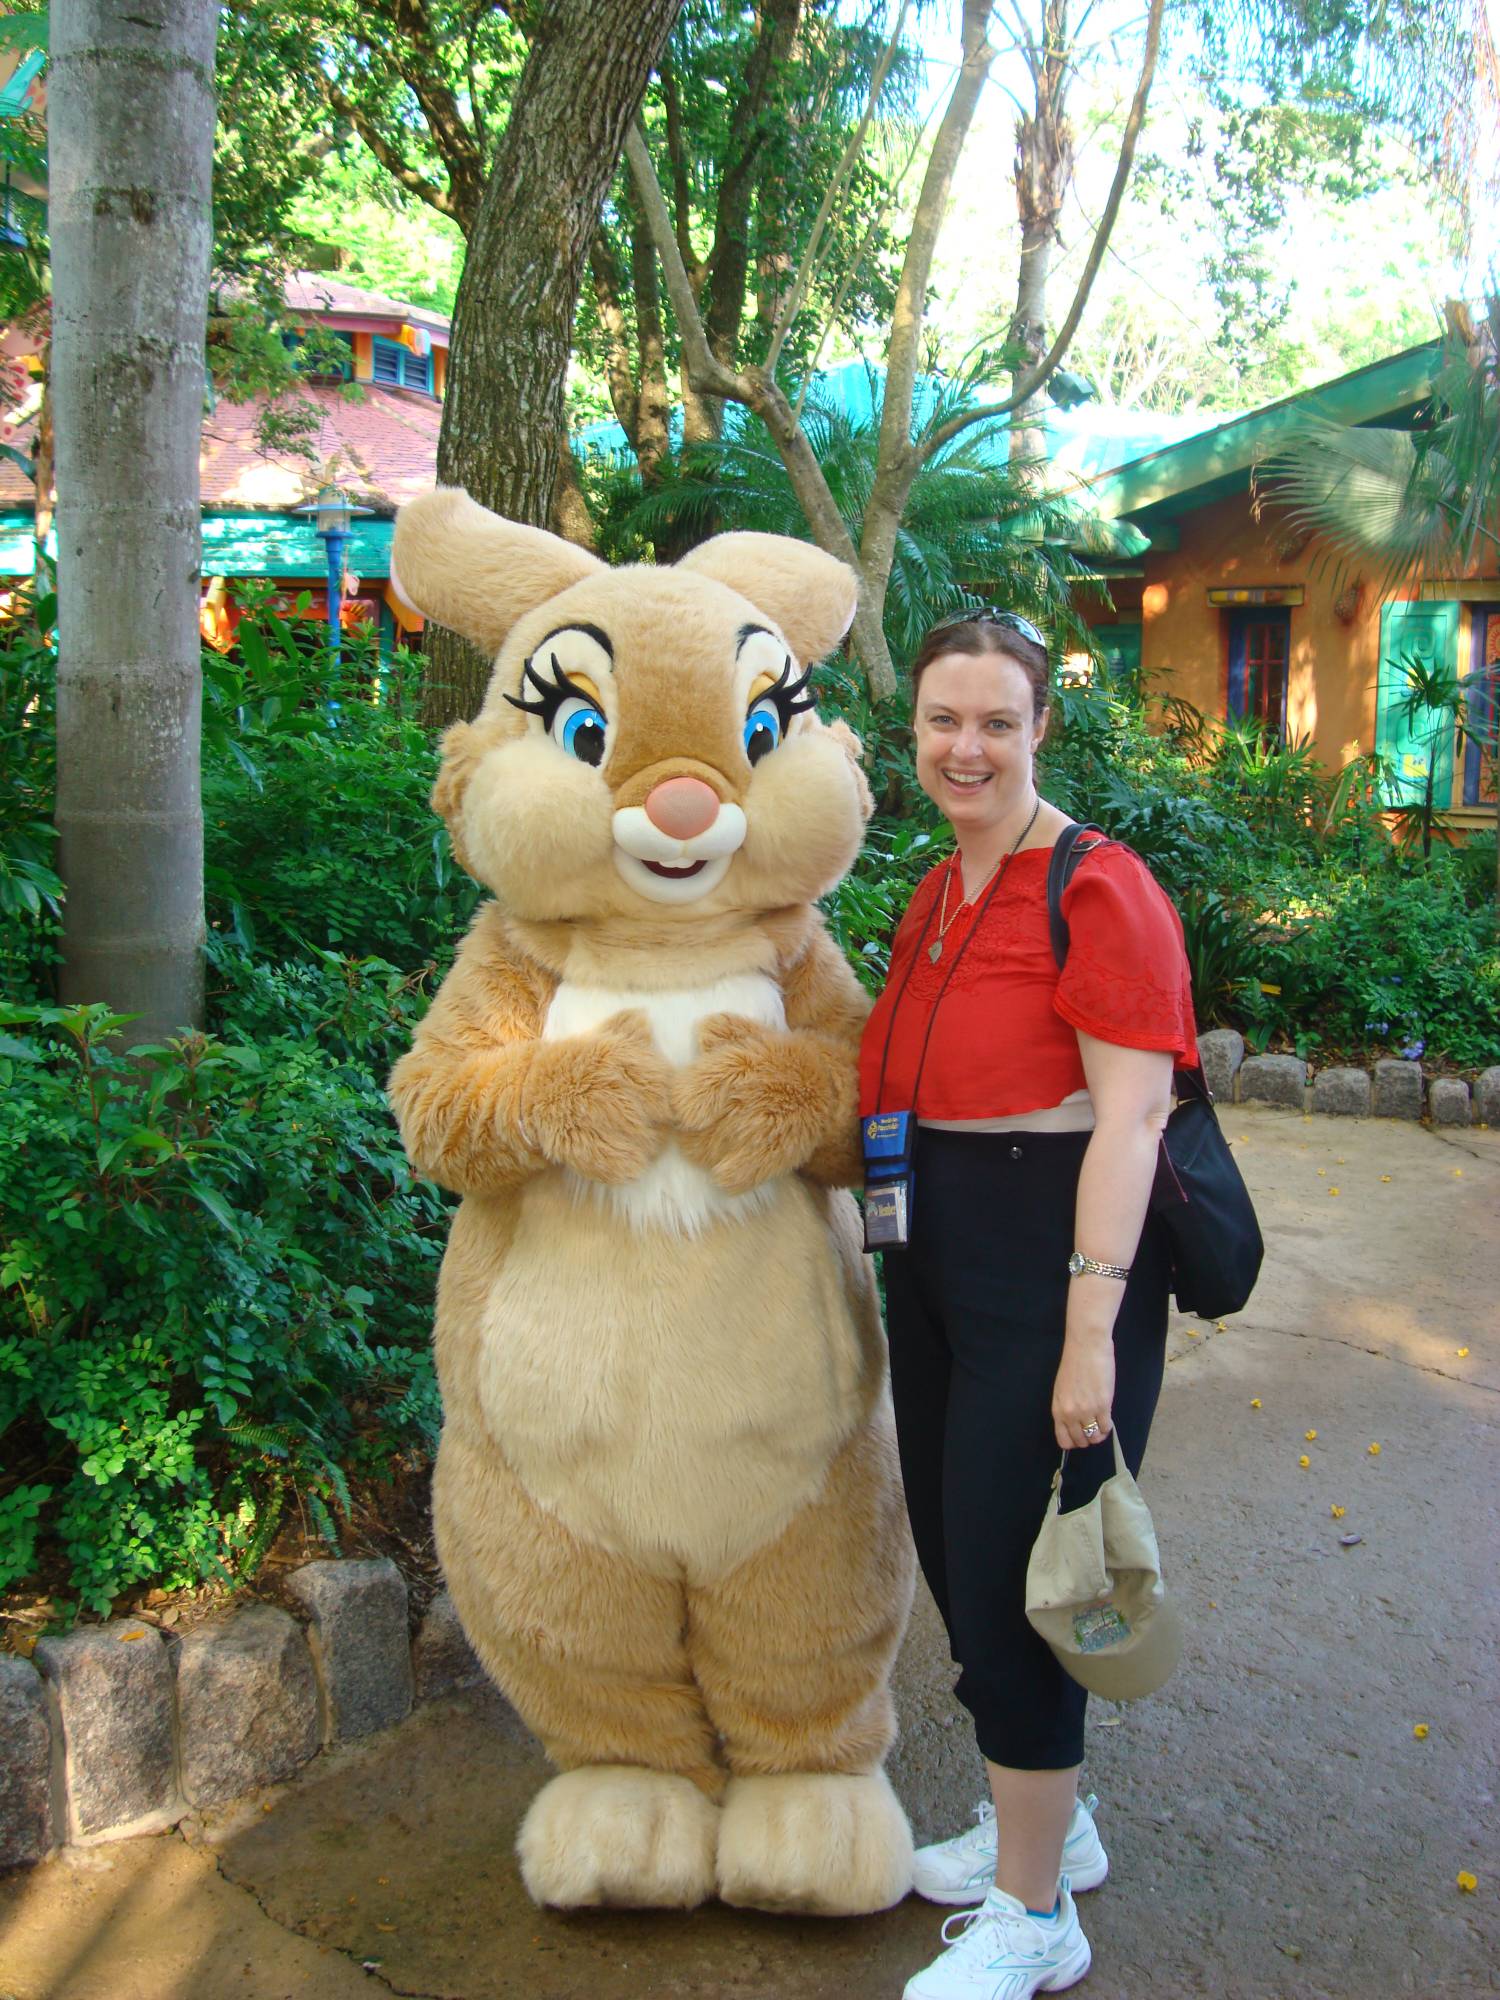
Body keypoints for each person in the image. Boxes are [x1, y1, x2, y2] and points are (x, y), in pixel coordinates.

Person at [857, 609, 1198, 2000]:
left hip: (1048, 1279)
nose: (968, 745)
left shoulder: (1097, 887)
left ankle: (1034, 1916)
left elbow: (1132, 1123)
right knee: (957, 1555)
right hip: (933, 1268)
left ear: (1041, 727)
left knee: (1019, 1584)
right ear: (915, 729)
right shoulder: (938, 893)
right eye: (945, 719)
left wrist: (1083, 1333)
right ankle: (1050, 1820)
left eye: (998, 720)